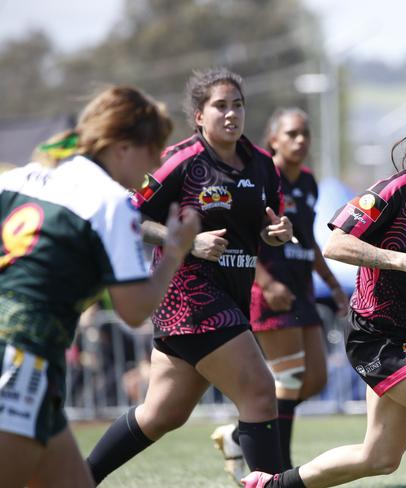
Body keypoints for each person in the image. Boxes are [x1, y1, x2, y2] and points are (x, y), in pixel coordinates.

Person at [242, 100, 406, 488]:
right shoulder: (401, 189)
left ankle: (271, 485)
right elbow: (336, 244)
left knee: (380, 457)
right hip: (378, 337)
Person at [86, 68, 293, 484]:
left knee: (162, 414)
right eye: (220, 106)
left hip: (230, 299)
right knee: (258, 392)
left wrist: (277, 234)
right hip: (189, 299)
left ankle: (76, 478)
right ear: (199, 115)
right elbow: (128, 214)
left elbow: (270, 226)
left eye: (238, 105)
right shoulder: (180, 160)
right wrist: (186, 243)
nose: (231, 114)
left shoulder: (264, 164)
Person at [0, 85, 199, 488]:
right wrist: (176, 250)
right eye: (154, 149)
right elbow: (134, 309)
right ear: (122, 146)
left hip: (34, 366)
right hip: (21, 365)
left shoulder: (18, 179)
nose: (157, 162)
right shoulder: (110, 202)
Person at [212, 108, 348, 477]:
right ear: (273, 140)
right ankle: (280, 470)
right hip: (270, 289)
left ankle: (243, 434)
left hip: (302, 288)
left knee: (314, 379)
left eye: (305, 133)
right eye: (292, 134)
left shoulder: (308, 180)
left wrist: (334, 287)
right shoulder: (258, 176)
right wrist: (267, 283)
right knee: (288, 381)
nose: (301, 140)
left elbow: (308, 238)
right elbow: (239, 238)